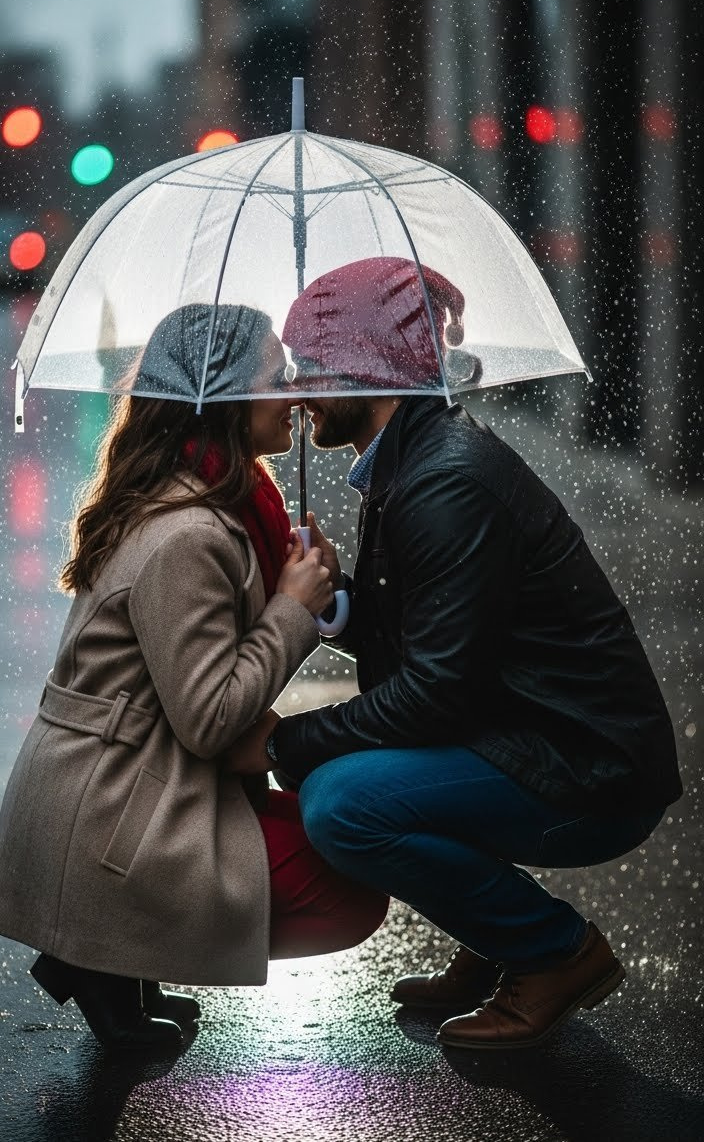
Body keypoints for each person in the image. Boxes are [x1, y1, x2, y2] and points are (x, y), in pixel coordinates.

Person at [226, 258, 683, 1051]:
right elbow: (440, 632)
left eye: (314, 369)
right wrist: (331, 601)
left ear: (366, 369)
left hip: (586, 767)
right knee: (359, 781)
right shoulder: (414, 458)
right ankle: (498, 937)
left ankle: (552, 952)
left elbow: (437, 692)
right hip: (529, 731)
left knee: (343, 803)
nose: (299, 392)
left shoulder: (445, 481)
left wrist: (284, 744)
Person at [0, 303, 388, 1051]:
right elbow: (209, 717)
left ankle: (121, 960)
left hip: (128, 788)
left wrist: (293, 592)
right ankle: (103, 953)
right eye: (277, 378)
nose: (296, 393)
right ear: (227, 401)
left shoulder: (215, 499)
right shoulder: (191, 532)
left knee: (346, 833)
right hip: (117, 816)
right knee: (351, 881)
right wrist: (292, 610)